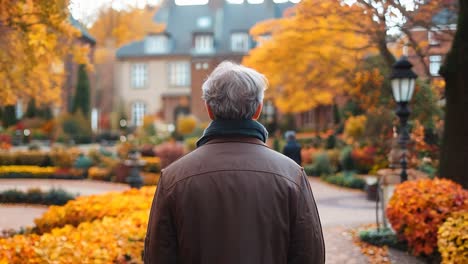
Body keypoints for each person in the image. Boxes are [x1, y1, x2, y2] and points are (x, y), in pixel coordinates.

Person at [144, 61, 325, 264]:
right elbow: (309, 255)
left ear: (209, 109)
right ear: (258, 109)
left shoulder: (173, 178)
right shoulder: (292, 176)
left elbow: (158, 256)